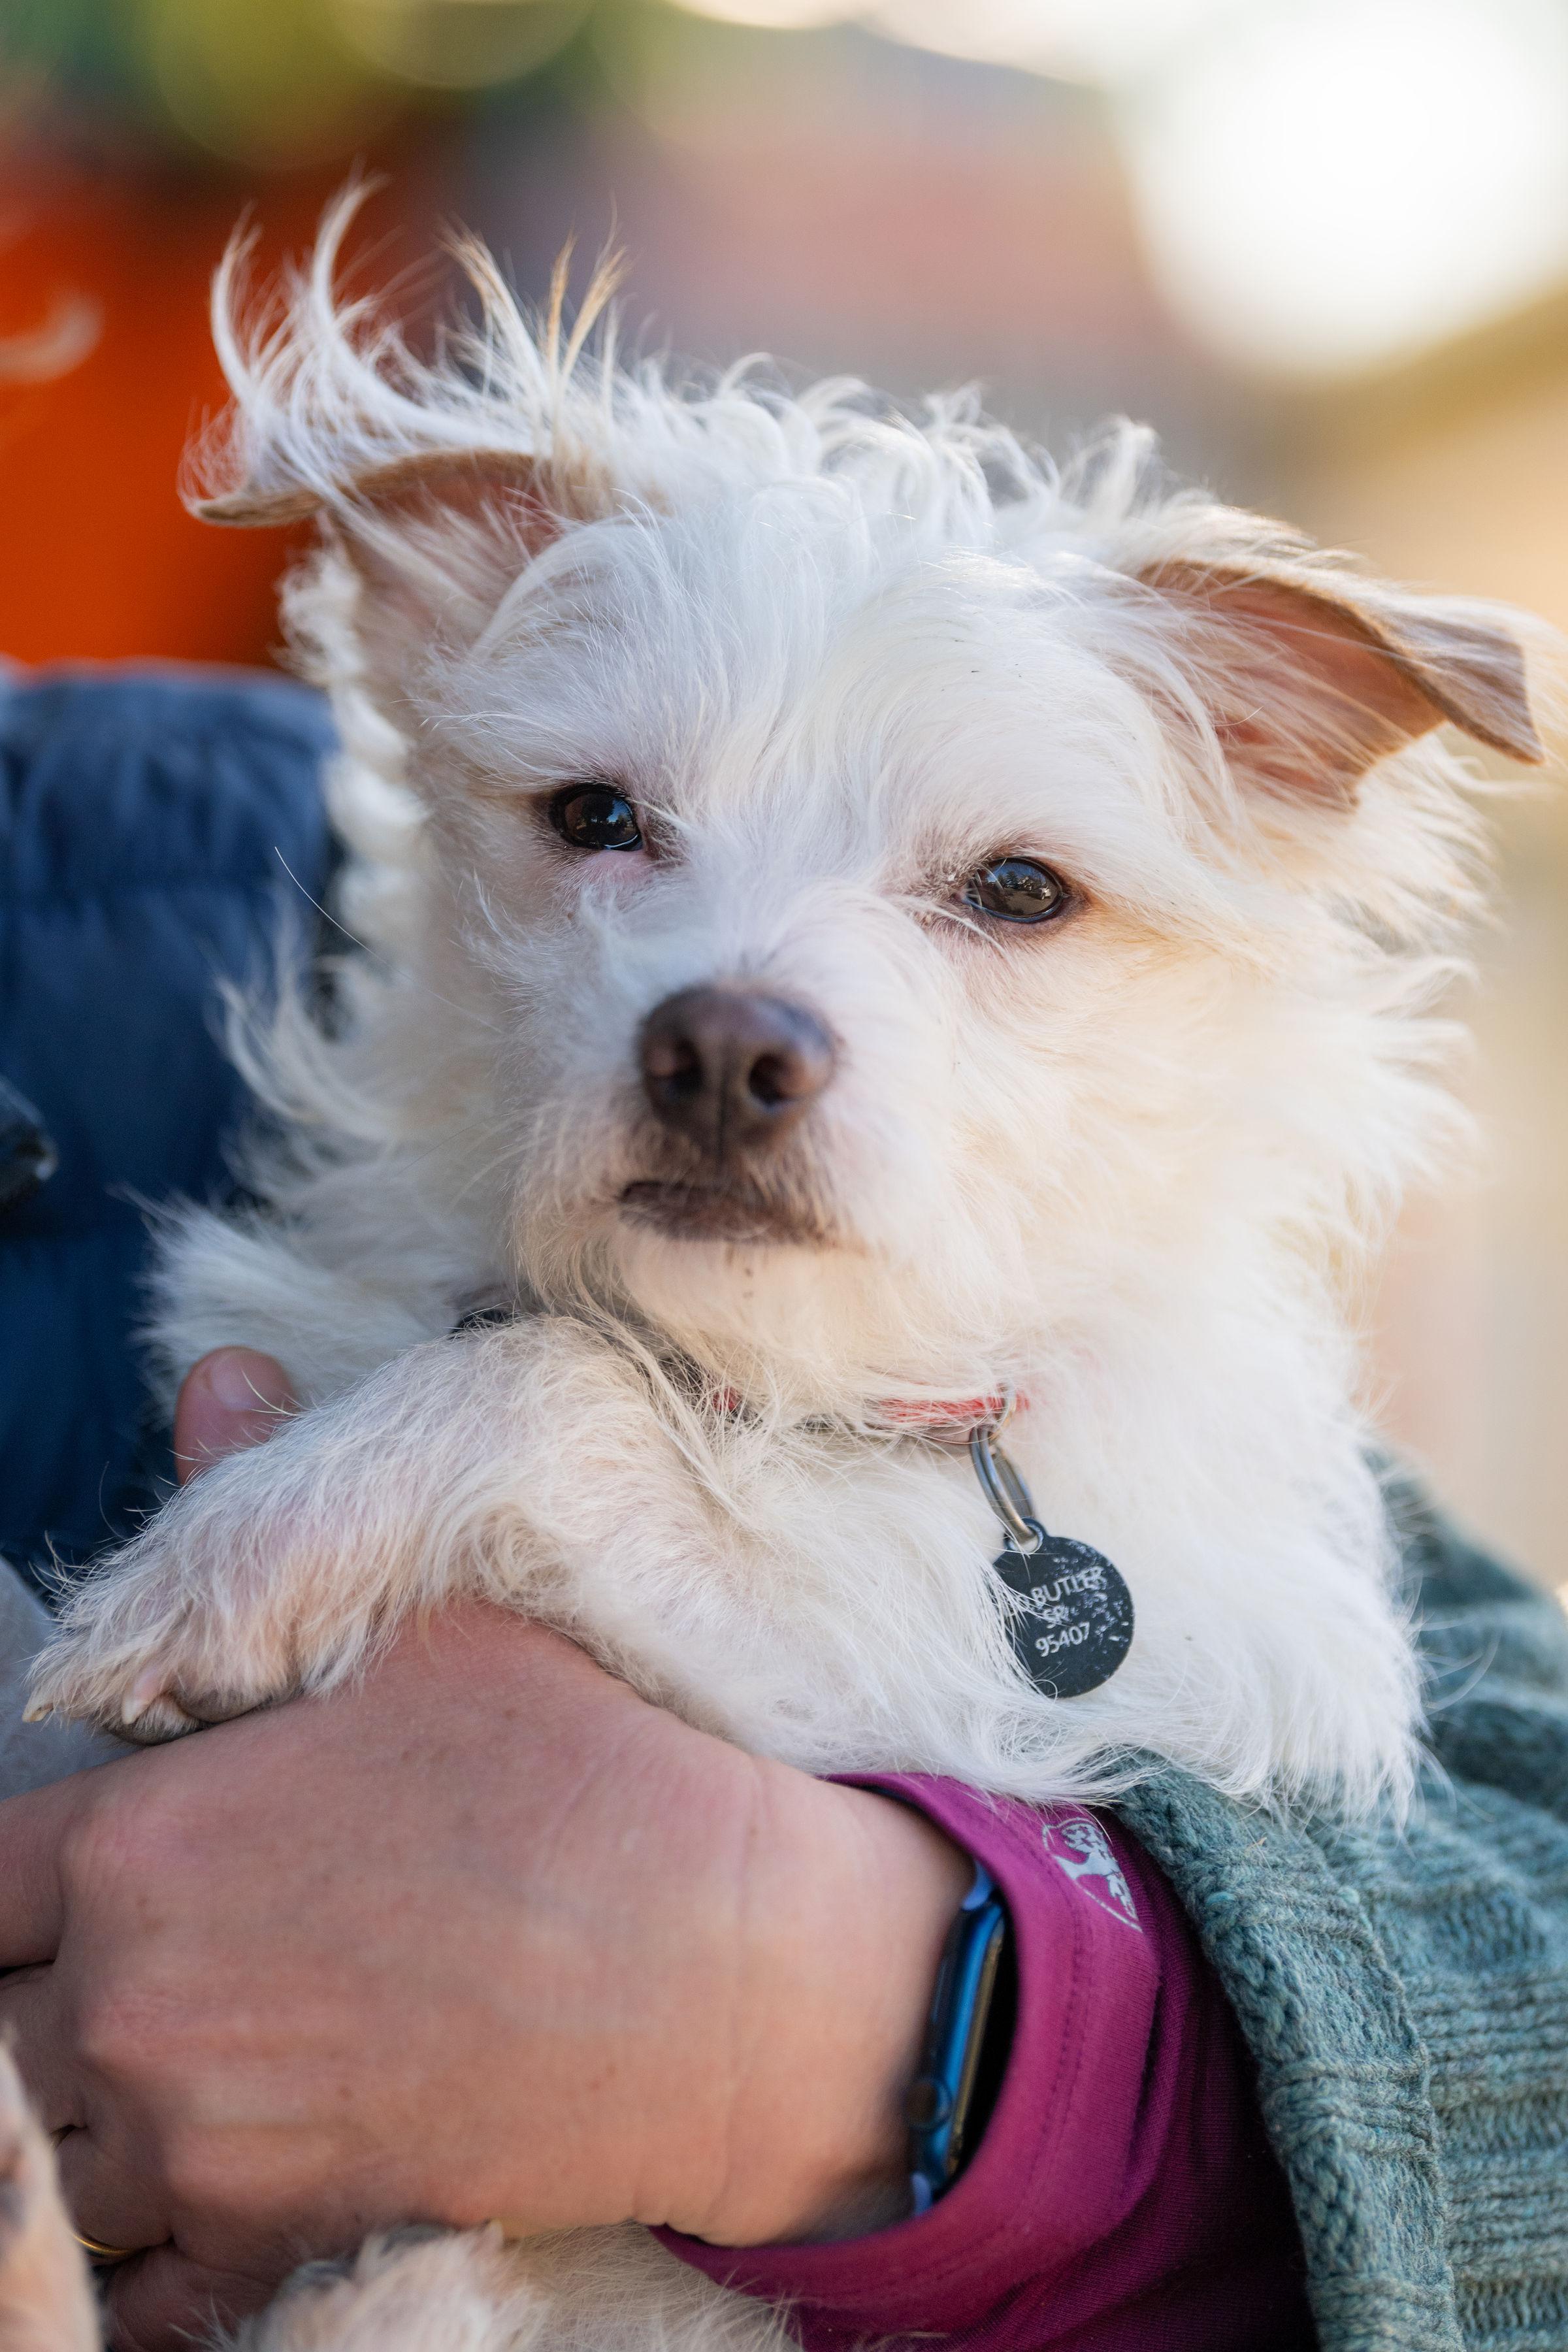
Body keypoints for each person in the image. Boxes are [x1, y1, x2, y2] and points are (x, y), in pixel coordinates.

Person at [3, 664, 1566, 2352]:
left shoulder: (229, 852)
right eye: (610, 828)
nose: (733, 1009)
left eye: (1010, 892)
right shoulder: (375, 924)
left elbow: (1516, 1865)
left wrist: (836, 2006)